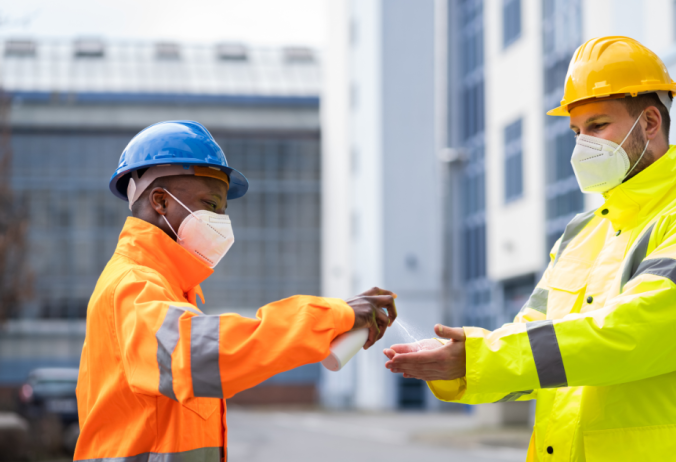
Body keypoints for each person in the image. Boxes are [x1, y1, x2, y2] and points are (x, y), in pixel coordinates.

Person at [384, 36, 676, 461]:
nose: (582, 145)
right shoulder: (580, 234)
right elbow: (531, 352)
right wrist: (459, 364)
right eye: (576, 131)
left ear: (650, 122)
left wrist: (483, 355)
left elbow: (633, 334)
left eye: (597, 126)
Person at [74, 120, 397, 461]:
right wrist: (331, 317)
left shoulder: (171, 291)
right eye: (211, 205)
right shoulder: (132, 286)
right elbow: (200, 356)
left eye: (223, 210)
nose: (221, 221)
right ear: (160, 201)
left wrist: (332, 327)